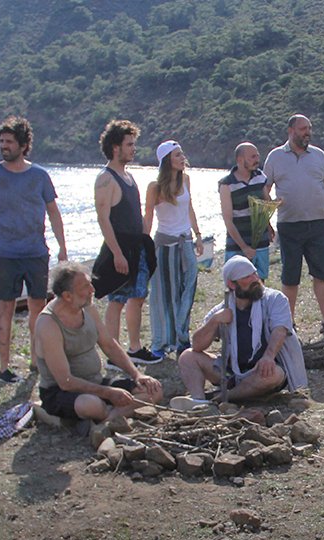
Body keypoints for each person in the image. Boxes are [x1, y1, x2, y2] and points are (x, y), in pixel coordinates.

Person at [0, 115, 68, 384]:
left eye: (9, 142)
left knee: (37, 307)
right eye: (1, 141)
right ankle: (4, 367)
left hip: (36, 252)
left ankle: (36, 359)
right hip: (5, 254)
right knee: (5, 307)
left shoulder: (39, 176)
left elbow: (54, 212)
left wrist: (62, 246)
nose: (4, 146)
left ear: (23, 144)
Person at [34, 262, 164, 427]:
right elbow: (65, 381)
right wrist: (108, 393)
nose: (92, 291)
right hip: (62, 391)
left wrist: (136, 375)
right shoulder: (48, 324)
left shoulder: (87, 308)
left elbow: (109, 345)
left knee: (154, 390)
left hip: (95, 382)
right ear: (67, 296)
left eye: (90, 284)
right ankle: (108, 416)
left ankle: (107, 420)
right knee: (92, 405)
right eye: (85, 287)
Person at [177, 257, 308, 402]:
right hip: (233, 371)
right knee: (187, 357)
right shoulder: (223, 309)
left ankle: (223, 398)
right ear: (232, 284)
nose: (255, 279)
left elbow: (280, 331)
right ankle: (199, 401)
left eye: (254, 274)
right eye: (247, 277)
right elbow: (197, 345)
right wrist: (214, 321)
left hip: (265, 369)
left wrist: (268, 356)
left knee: (272, 375)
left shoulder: (275, 299)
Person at [264, 115, 324, 337]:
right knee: (290, 277)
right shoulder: (275, 157)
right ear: (290, 131)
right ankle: (289, 325)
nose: (307, 132)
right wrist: (267, 219)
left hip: (317, 224)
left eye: (309, 128)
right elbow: (265, 189)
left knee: (321, 275)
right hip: (288, 225)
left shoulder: (319, 155)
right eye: (302, 129)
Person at [92, 120, 160, 365]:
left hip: (136, 247)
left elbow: (135, 213)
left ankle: (134, 348)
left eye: (134, 144)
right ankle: (113, 353)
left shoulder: (128, 176)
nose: (133, 149)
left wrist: (145, 239)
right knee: (117, 300)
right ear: (115, 147)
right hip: (119, 248)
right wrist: (117, 253)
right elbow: (103, 219)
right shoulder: (106, 179)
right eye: (129, 144)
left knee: (137, 297)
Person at [144, 140, 203, 360]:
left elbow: (189, 208)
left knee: (187, 290)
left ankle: (181, 338)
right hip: (165, 244)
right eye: (177, 155)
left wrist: (197, 235)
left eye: (181, 154)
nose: (182, 158)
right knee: (164, 296)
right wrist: (144, 245)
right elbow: (148, 216)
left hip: (185, 242)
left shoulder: (186, 180)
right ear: (167, 160)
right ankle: (161, 342)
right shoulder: (155, 187)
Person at [219, 142, 276, 279]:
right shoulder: (227, 184)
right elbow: (228, 220)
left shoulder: (260, 177)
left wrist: (268, 226)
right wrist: (244, 247)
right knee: (236, 284)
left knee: (260, 282)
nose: (257, 160)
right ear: (240, 159)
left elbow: (265, 205)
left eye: (257, 156)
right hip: (237, 243)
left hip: (260, 240)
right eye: (252, 157)